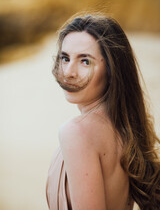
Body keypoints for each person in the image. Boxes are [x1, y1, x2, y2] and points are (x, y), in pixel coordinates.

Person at [46, 14, 160, 210]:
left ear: (111, 70)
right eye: (65, 58)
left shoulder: (77, 133)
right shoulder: (125, 129)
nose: (69, 72)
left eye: (85, 61)